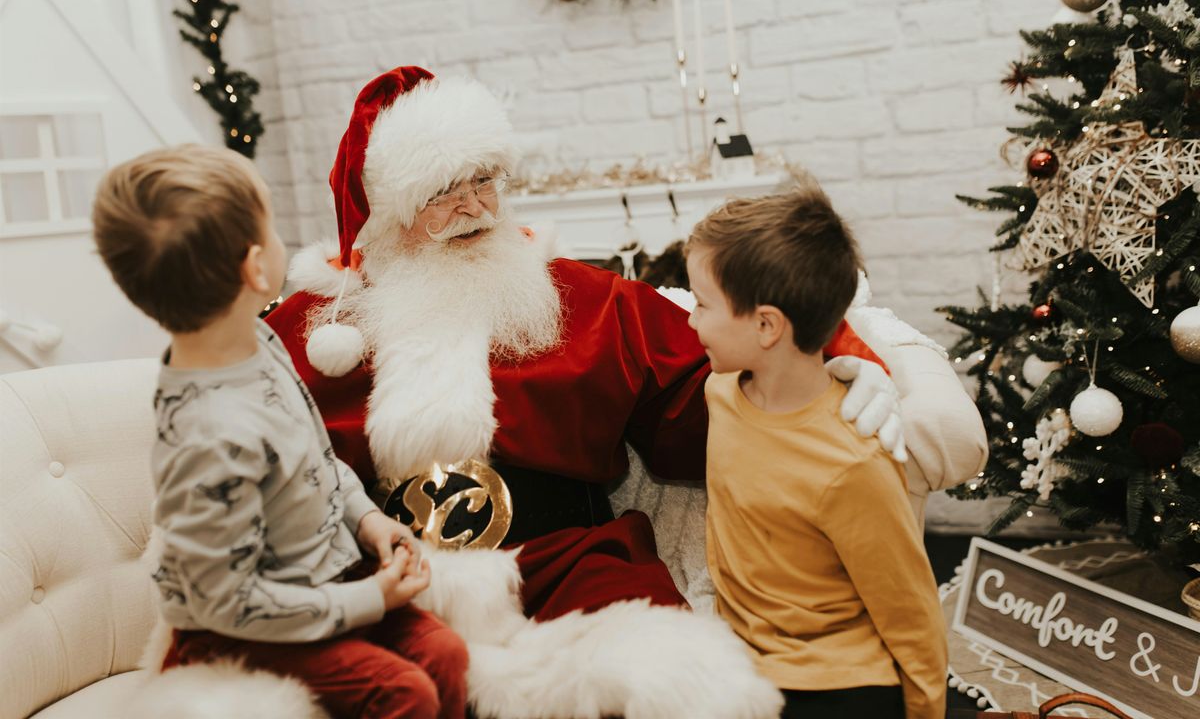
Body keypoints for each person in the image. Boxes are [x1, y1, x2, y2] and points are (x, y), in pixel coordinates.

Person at [264, 65, 980, 715]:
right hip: (384, 578)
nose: (475, 207)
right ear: (389, 215)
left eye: (484, 181)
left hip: (565, 566)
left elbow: (733, 361)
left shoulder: (583, 300)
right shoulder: (309, 331)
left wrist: (849, 365)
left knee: (669, 680)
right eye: (441, 194)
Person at [91, 144, 468, 719]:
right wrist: (369, 599)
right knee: (404, 692)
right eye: (271, 223)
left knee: (444, 652)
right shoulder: (209, 434)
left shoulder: (260, 344)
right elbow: (227, 601)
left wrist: (369, 523)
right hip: (249, 628)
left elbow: (316, 457)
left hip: (328, 580)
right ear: (254, 267)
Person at [685, 188, 947, 719]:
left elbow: (910, 610)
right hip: (741, 663)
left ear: (766, 325)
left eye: (701, 305)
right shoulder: (721, 392)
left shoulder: (852, 463)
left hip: (833, 684)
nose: (690, 320)